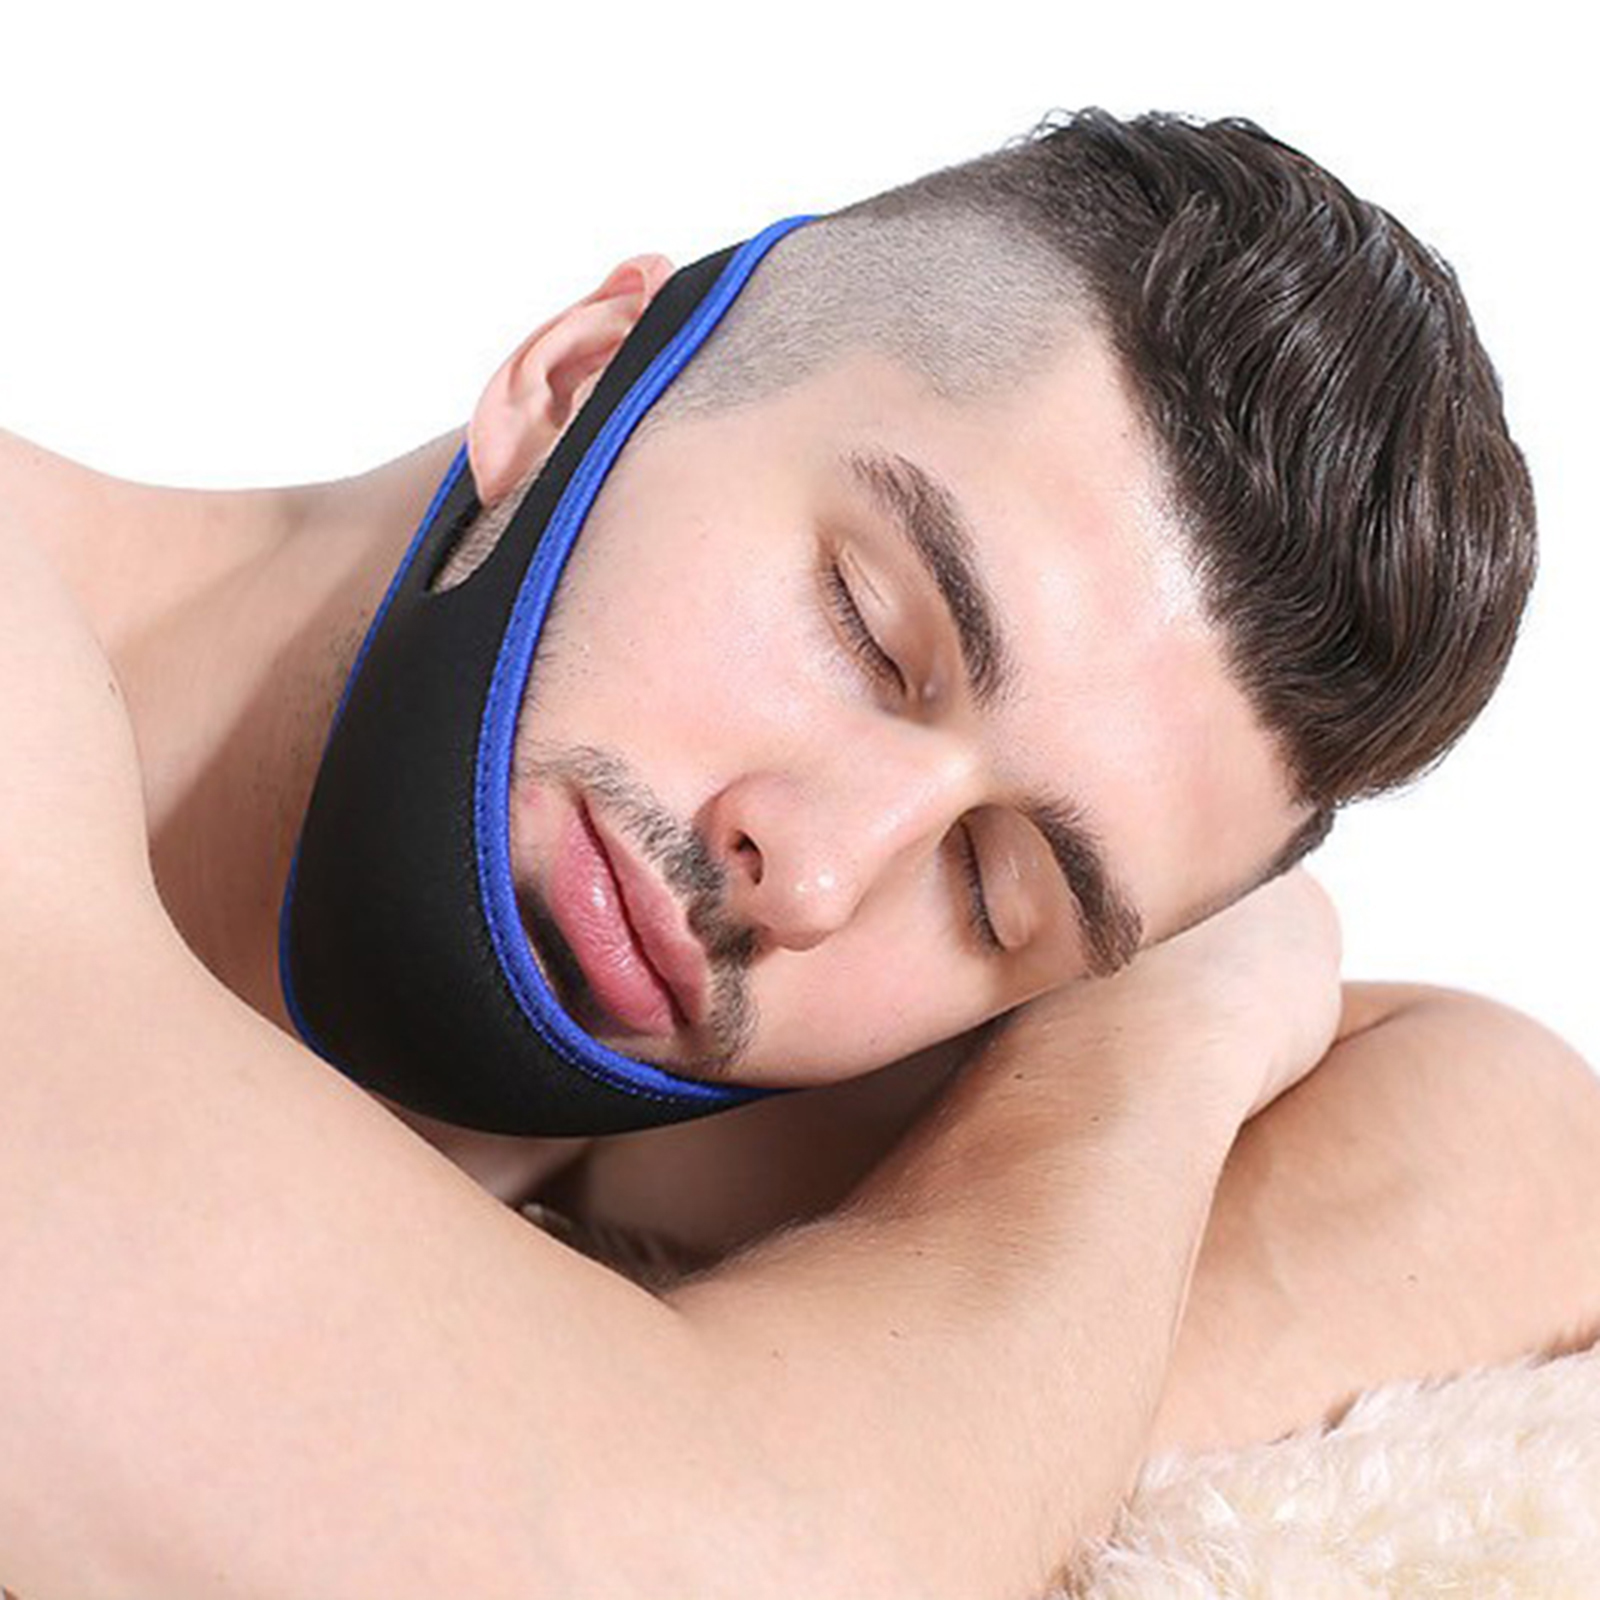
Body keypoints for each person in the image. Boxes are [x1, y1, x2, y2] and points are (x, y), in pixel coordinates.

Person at [1, 108, 1595, 1600]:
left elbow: (1515, 1131)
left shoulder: (648, 1070)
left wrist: (1153, 1038)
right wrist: (904, 1448)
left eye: (996, 891)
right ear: (576, 379)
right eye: (867, 630)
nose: (818, 879)